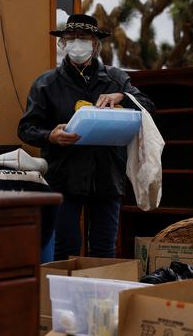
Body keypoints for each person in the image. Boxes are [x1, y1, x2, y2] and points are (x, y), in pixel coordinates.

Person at [17, 14, 154, 260]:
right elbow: (26, 128)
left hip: (108, 174)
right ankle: (61, 296)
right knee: (64, 248)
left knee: (104, 249)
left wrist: (122, 97)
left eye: (84, 38)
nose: (77, 44)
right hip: (64, 175)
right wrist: (51, 136)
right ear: (62, 44)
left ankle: (100, 298)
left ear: (95, 44)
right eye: (71, 38)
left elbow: (147, 106)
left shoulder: (117, 79)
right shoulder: (46, 84)